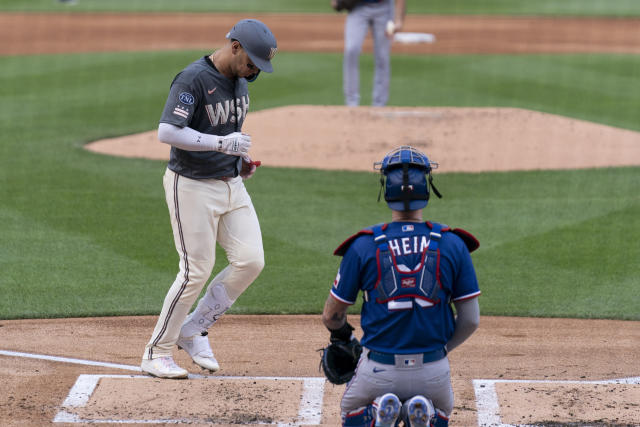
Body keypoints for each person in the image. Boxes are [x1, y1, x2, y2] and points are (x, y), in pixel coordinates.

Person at [141, 19, 277, 379]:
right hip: (191, 185)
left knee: (250, 261)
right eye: (251, 63)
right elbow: (167, 131)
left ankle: (194, 328)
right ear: (235, 47)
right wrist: (220, 144)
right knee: (194, 271)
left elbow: (226, 130)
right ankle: (156, 352)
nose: (253, 72)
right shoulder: (193, 79)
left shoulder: (241, 82)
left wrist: (238, 159)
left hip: (231, 184)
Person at [322, 146, 481, 426]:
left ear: (387, 192)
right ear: (427, 191)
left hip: (379, 369)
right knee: (443, 410)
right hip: (433, 370)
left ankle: (375, 411)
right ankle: (428, 415)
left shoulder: (363, 245)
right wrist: (440, 350)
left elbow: (332, 316)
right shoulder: (453, 244)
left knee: (350, 408)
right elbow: (470, 320)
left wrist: (344, 337)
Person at [331, 0, 407, 106]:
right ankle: (351, 104)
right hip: (358, 7)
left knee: (382, 56)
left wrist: (398, 20)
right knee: (351, 49)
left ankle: (379, 104)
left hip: (384, 8)